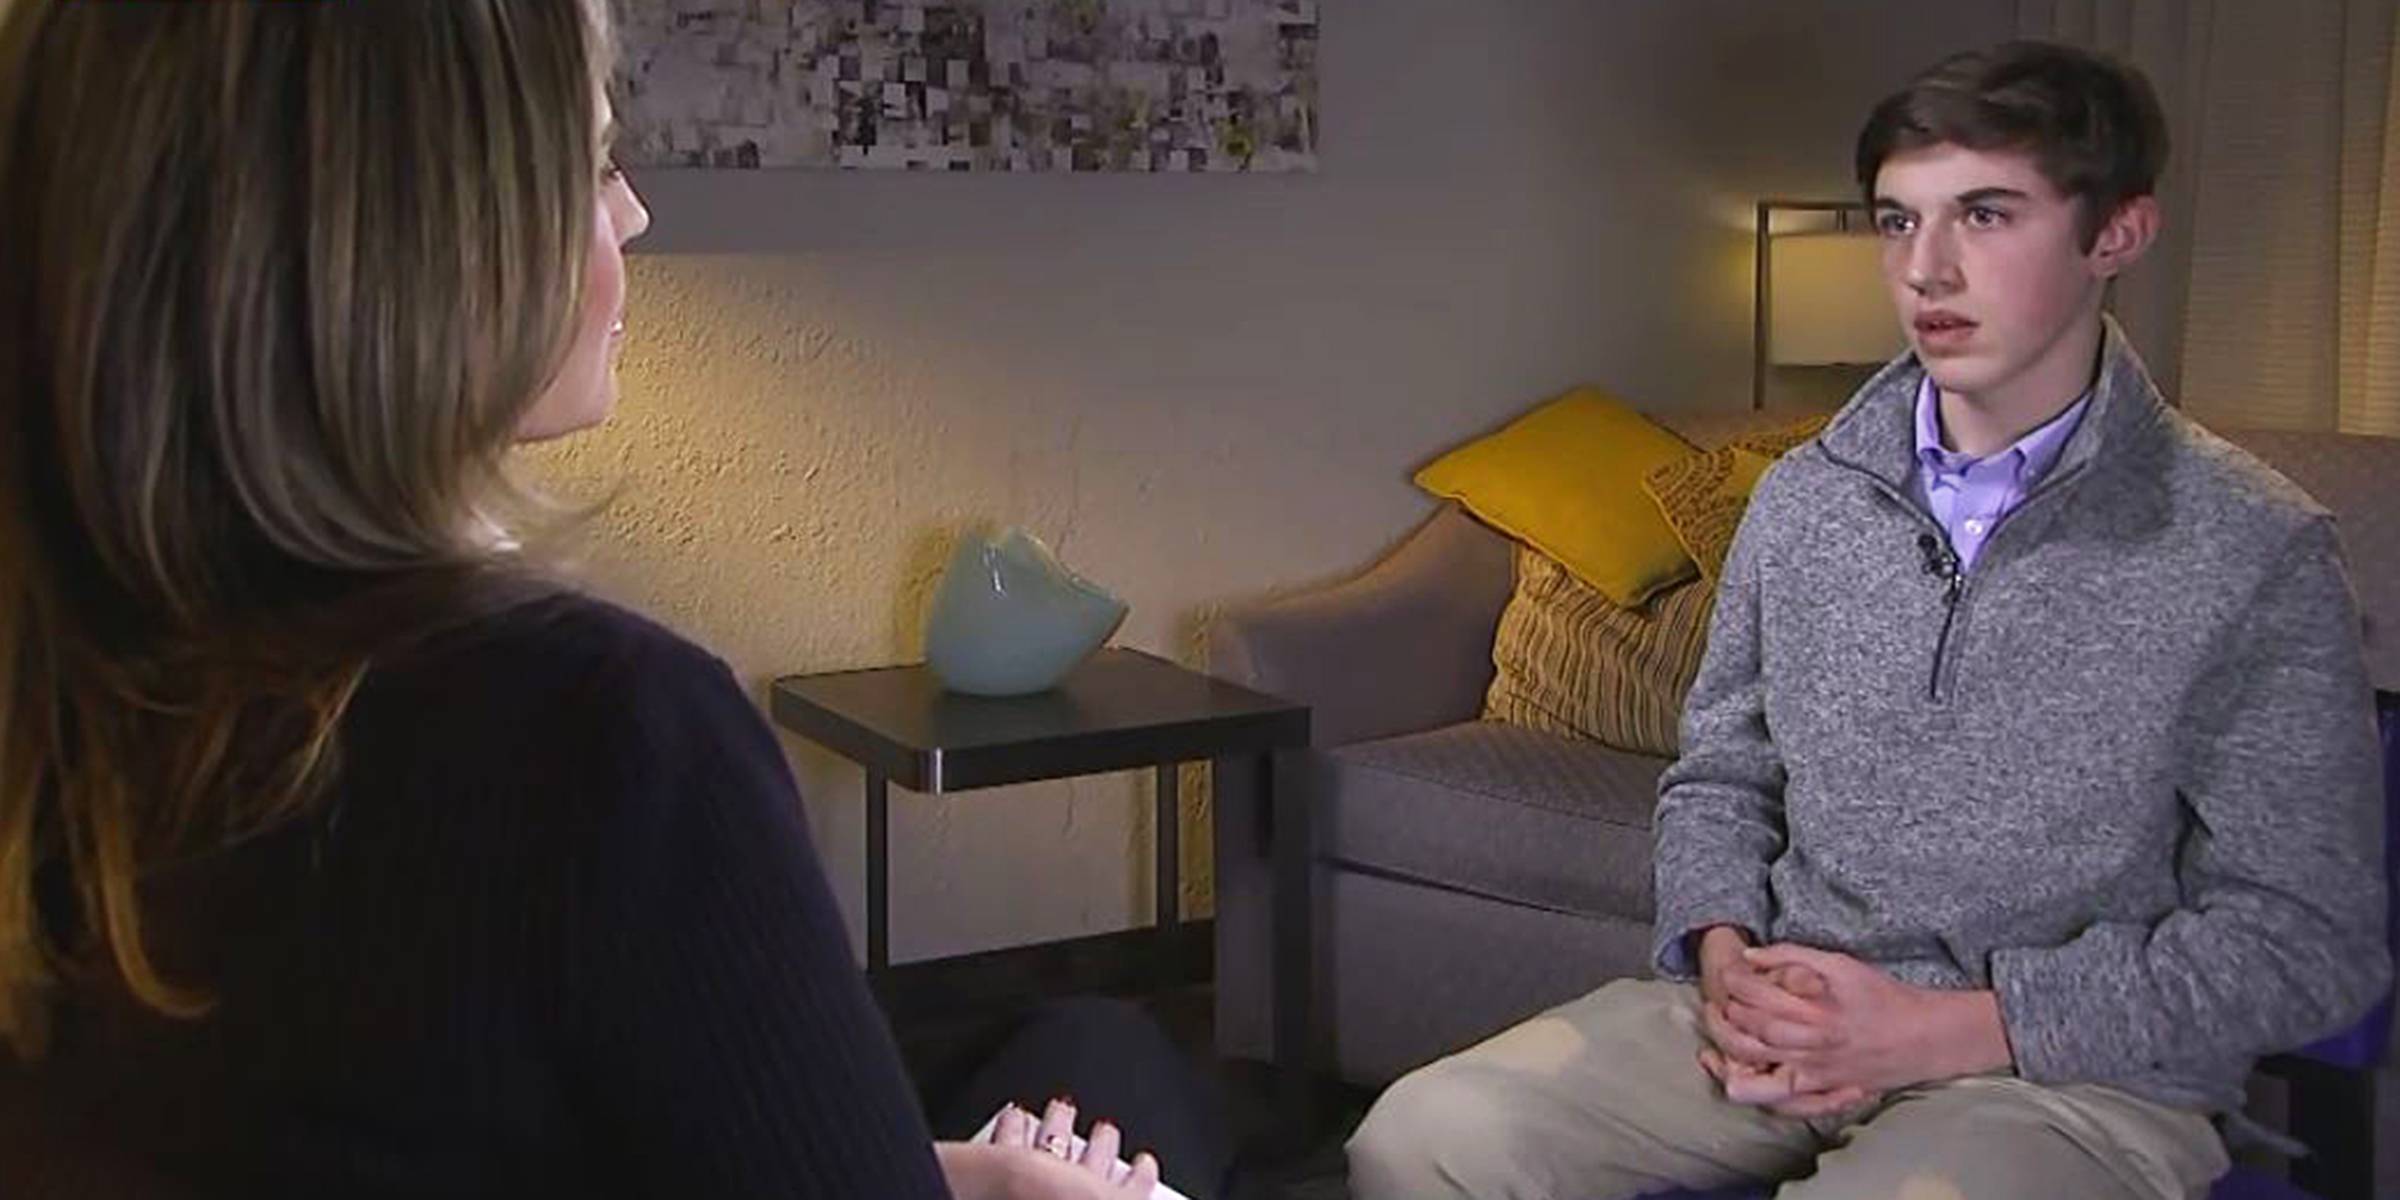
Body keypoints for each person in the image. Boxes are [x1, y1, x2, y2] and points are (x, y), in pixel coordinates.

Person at [0, 2, 1212, 1197]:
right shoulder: (594, 734)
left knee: (1084, 1045)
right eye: (589, 167)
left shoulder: (68, 680)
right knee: (1116, 1077)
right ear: (416, 247)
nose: (632, 211)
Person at [1347, 40, 2391, 1200]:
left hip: (2070, 1080)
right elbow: (1722, 775)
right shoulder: (1806, 498)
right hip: (1777, 1015)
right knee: (1427, 1136)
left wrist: (1950, 1029)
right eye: (1899, 222)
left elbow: (2311, 941)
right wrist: (1721, 949)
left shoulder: (2251, 547)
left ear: (2116, 234)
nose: (1927, 270)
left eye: (1985, 215)